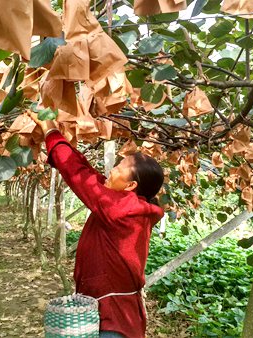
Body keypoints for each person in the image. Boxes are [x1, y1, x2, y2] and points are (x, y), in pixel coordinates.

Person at [30, 114, 165, 338]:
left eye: (119, 168)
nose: (111, 171)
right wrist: (58, 139)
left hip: (113, 320)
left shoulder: (122, 210)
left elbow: (78, 175)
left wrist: (51, 133)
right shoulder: (125, 204)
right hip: (107, 313)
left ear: (131, 185)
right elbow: (88, 172)